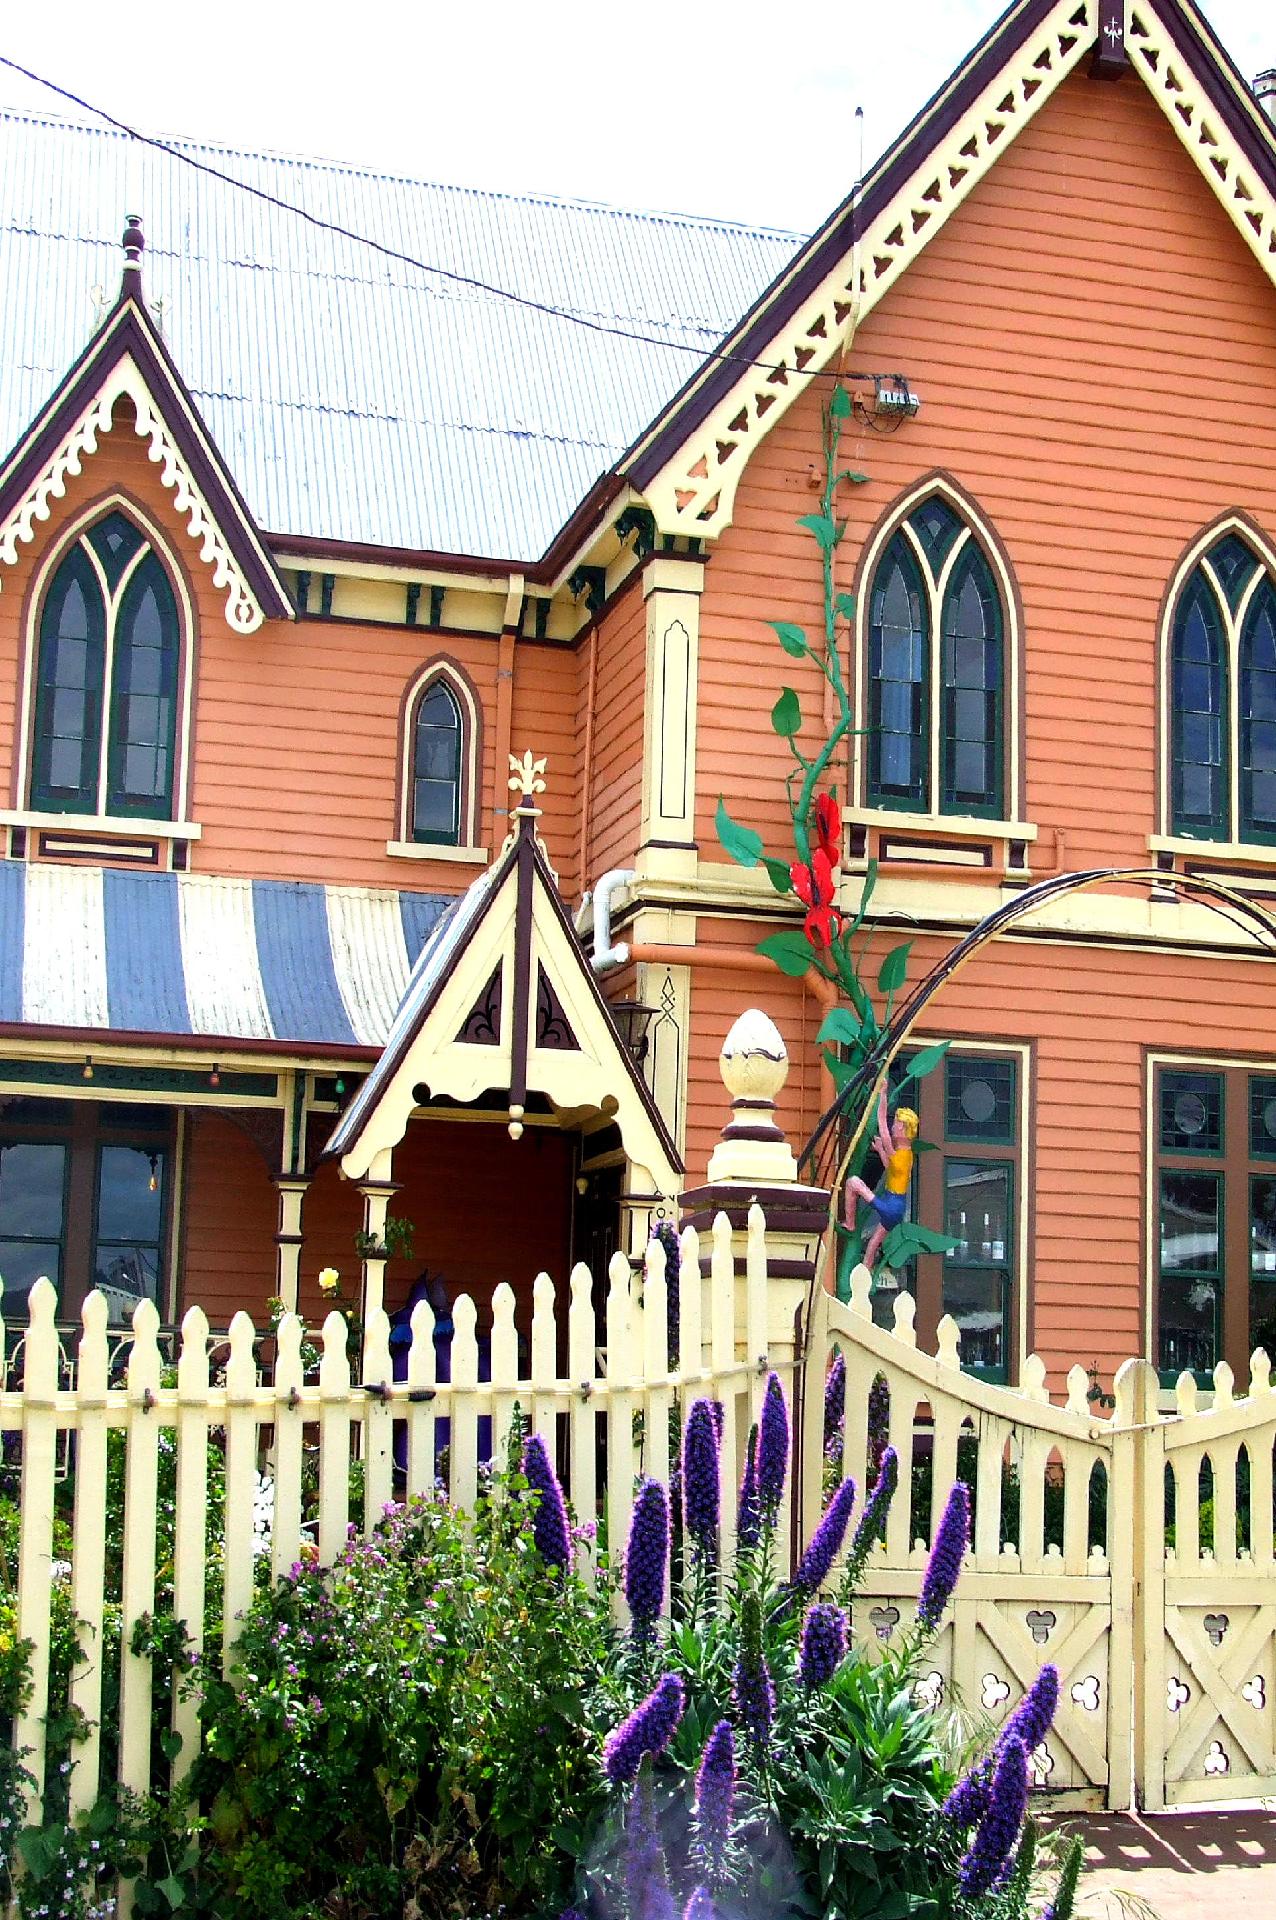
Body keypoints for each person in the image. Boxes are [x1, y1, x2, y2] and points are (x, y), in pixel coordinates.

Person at [843, 1089, 918, 1270]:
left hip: (891, 1206)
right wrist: (881, 1151)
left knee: (853, 1182)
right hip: (896, 1207)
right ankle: (865, 1276)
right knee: (872, 1246)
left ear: (902, 1128)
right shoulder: (906, 1154)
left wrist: (882, 1095)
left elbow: (882, 1125)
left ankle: (850, 1223)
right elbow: (891, 1170)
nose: (893, 1126)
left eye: (896, 1124)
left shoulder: (900, 1154)